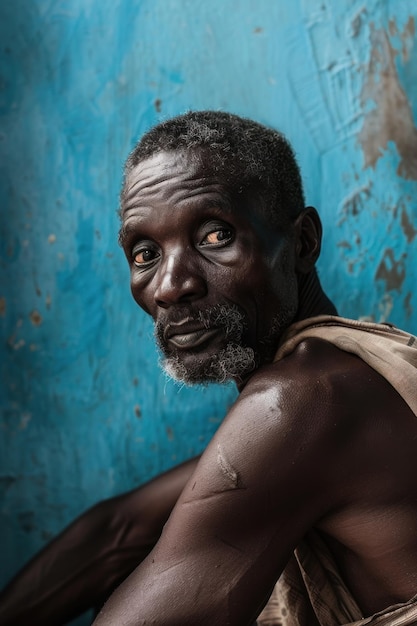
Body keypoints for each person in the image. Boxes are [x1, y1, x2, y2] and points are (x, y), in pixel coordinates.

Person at [1, 111, 417, 625]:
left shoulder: (301, 400)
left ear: (303, 243)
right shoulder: (333, 384)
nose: (171, 285)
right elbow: (118, 532)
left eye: (215, 236)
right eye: (145, 252)